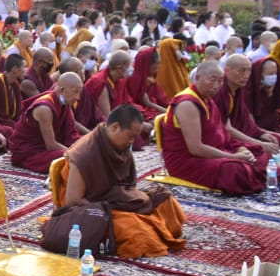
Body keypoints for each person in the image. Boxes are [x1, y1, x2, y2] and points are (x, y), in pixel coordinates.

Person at [56, 105, 187, 258]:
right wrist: (114, 209)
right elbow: (73, 200)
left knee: (165, 201)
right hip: (91, 206)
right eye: (130, 136)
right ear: (114, 127)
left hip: (114, 197)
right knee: (137, 230)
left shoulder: (117, 146)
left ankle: (155, 229)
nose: (131, 141)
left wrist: (130, 199)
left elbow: (126, 184)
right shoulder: (84, 155)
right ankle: (151, 232)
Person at [9, 72, 83, 174]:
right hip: (30, 153)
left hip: (45, 148)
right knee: (68, 158)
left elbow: (71, 134)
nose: (78, 97)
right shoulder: (44, 109)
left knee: (84, 151)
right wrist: (76, 153)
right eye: (76, 92)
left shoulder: (64, 103)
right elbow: (51, 145)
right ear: (62, 90)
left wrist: (86, 146)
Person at [218, 55, 280, 153]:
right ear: (227, 71)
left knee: (275, 142)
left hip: (245, 135)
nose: (246, 75)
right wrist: (260, 143)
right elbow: (227, 129)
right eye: (242, 71)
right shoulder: (221, 92)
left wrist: (261, 134)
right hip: (225, 140)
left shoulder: (238, 90)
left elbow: (248, 124)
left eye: (249, 71)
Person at [119, 46, 170, 121]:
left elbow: (162, 100)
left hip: (152, 110)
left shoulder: (150, 78)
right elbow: (143, 103)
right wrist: (169, 113)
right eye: (157, 64)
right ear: (147, 64)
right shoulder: (134, 78)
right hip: (136, 113)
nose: (159, 67)